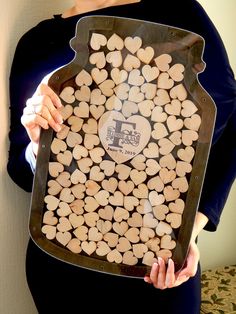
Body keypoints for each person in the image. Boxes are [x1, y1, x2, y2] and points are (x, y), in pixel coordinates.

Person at [8, 0, 236, 313]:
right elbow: (19, 171)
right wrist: (38, 145)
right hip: (63, 266)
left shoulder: (180, 13)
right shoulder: (37, 42)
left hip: (156, 265)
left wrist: (189, 232)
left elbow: (231, 122)